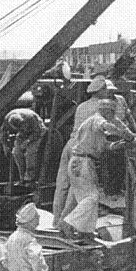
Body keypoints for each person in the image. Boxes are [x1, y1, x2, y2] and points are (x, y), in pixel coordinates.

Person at [58, 99, 135, 238]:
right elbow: (107, 126)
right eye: (112, 112)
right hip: (82, 162)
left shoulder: (93, 126)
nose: (113, 115)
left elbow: (102, 145)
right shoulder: (97, 120)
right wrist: (124, 134)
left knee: (84, 199)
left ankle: (84, 231)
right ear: (106, 110)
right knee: (92, 197)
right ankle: (67, 223)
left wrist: (117, 145)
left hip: (84, 161)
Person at [52, 75, 109, 227]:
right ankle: (65, 222)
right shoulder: (102, 107)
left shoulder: (82, 106)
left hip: (70, 145)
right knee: (78, 188)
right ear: (101, 91)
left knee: (62, 185)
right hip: (81, 148)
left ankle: (56, 220)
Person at [0, 108, 46, 184]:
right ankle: (22, 177)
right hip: (22, 134)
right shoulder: (7, 119)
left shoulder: (30, 117)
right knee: (16, 152)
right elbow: (3, 133)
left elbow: (38, 131)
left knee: (30, 152)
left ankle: (30, 178)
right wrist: (5, 146)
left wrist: (27, 141)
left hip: (37, 131)